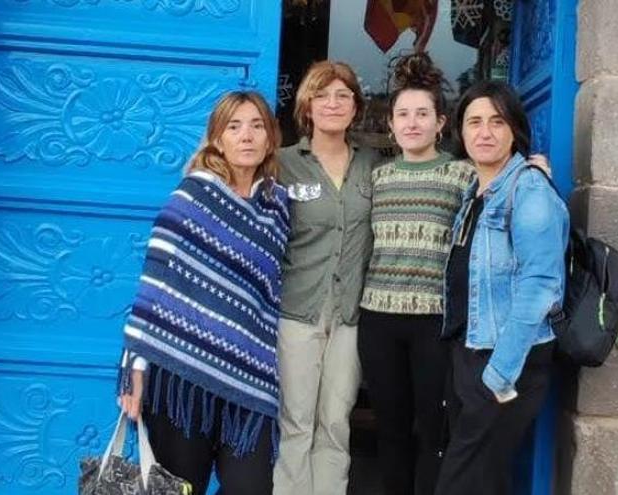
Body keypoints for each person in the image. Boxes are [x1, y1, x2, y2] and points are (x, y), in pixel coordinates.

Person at [117, 90, 290, 495]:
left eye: (257, 126)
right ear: (217, 138)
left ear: (270, 138)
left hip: (249, 377)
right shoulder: (192, 198)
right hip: (181, 372)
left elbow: (269, 294)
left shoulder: (277, 207)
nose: (246, 136)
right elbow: (154, 286)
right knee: (180, 487)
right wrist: (135, 368)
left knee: (252, 487)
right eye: (234, 127)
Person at [435, 81, 569, 495]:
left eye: (497, 121)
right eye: (474, 121)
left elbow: (540, 285)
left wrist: (498, 377)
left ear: (515, 130)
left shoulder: (527, 188)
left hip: (506, 362)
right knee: (483, 480)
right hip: (473, 353)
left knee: (460, 482)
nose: (485, 132)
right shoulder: (479, 191)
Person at [357, 52, 473, 495]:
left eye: (423, 113)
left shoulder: (461, 175)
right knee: (390, 427)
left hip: (434, 321)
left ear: (441, 122)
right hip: (378, 318)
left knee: (433, 427)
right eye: (402, 114)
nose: (412, 122)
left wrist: (533, 169)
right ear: (390, 125)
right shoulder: (377, 177)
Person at [273, 60, 380, 495]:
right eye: (322, 95)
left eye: (343, 95)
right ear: (307, 106)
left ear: (355, 107)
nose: (333, 104)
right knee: (296, 422)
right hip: (297, 311)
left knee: (335, 422)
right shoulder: (280, 164)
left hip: (351, 315)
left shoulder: (374, 166)